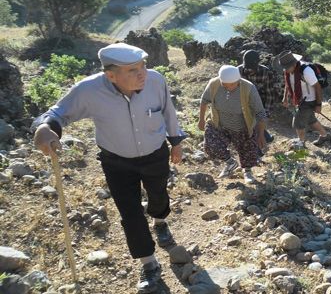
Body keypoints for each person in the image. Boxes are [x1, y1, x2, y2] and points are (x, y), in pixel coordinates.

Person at [32, 43, 185, 294]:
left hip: (155, 155)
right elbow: (57, 114)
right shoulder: (89, 90)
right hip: (117, 162)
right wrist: (45, 128)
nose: (142, 73)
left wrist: (176, 141)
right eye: (133, 70)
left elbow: (168, 111)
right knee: (130, 212)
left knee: (158, 195)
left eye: (143, 66)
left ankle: (160, 221)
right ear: (110, 75)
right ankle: (148, 262)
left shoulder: (156, 81)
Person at [198, 65, 266, 184]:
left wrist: (261, 134)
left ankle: (247, 172)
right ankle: (230, 162)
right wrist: (201, 119)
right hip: (219, 123)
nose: (228, 87)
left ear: (238, 81)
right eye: (225, 85)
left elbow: (260, 113)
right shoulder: (214, 84)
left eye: (232, 85)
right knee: (210, 146)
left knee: (248, 151)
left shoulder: (248, 88)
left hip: (242, 126)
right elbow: (204, 101)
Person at [279, 51, 329, 147]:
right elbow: (287, 83)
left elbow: (317, 87)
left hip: (310, 100)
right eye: (284, 67)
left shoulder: (306, 71)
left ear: (294, 64)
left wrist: (318, 105)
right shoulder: (287, 70)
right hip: (301, 99)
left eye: (287, 67)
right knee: (311, 120)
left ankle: (301, 143)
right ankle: (324, 135)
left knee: (297, 122)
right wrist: (285, 97)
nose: (285, 70)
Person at [237, 50, 276, 143]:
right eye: (248, 68)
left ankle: (263, 137)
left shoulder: (266, 72)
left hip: (260, 101)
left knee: (259, 120)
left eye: (252, 68)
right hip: (242, 101)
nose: (250, 70)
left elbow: (269, 94)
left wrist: (266, 113)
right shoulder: (237, 71)